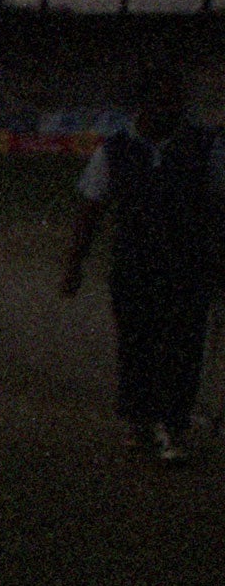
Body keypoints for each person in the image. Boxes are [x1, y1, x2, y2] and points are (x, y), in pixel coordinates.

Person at [61, 64, 224, 462]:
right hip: (135, 265)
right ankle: (139, 420)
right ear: (144, 104)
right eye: (162, 99)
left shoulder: (207, 146)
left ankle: (174, 425)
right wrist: (74, 264)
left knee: (183, 347)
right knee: (138, 346)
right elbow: (91, 209)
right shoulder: (115, 150)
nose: (171, 107)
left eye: (175, 99)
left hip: (190, 265)